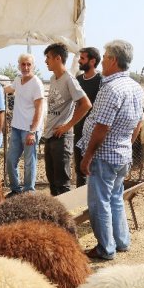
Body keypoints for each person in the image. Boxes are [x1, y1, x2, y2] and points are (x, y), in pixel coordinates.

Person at [78, 39, 144, 260]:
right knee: (115, 198)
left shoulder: (111, 88)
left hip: (104, 156)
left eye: (105, 57)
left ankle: (105, 248)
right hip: (122, 155)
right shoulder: (135, 87)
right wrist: (126, 143)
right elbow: (138, 123)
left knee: (99, 202)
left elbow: (102, 127)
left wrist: (87, 157)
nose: (103, 61)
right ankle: (122, 241)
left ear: (113, 60)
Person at [42, 43, 92, 196]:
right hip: (51, 135)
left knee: (62, 183)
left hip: (62, 137)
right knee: (52, 179)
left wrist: (67, 126)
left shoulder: (69, 79)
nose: (46, 61)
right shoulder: (53, 78)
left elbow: (86, 104)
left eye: (48, 58)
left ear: (58, 58)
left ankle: (65, 217)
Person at [3, 53, 45, 196]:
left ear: (33, 66)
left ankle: (29, 192)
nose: (26, 67)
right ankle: (15, 189)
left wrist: (32, 131)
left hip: (29, 129)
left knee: (29, 162)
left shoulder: (37, 83)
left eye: (28, 64)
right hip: (16, 127)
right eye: (23, 64)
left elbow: (39, 108)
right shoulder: (18, 79)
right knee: (10, 160)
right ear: (19, 65)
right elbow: (9, 89)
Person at [75, 47, 102, 187]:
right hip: (78, 130)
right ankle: (81, 204)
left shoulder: (102, 82)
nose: (79, 61)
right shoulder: (78, 80)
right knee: (79, 168)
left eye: (82, 58)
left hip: (94, 132)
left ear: (92, 61)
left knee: (93, 168)